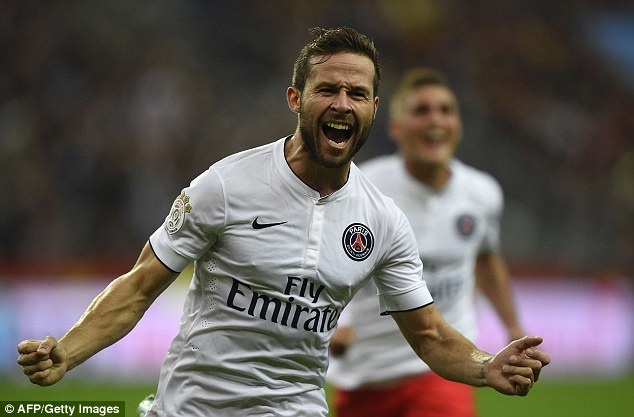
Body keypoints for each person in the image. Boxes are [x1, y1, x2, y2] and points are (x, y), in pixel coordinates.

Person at [17, 28, 549, 417]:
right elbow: (138, 288)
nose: (342, 104)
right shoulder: (226, 186)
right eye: (328, 89)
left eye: (357, 94)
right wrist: (68, 351)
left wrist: (485, 366)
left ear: (373, 109)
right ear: (296, 98)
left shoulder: (384, 221)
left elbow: (430, 335)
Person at [327, 67, 526, 417]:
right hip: (365, 372)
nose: (436, 120)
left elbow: (485, 258)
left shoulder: (482, 193)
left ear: (457, 125)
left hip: (445, 368)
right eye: (422, 110)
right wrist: (340, 323)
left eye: (445, 110)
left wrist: (513, 325)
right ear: (396, 128)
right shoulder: (362, 188)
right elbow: (329, 261)